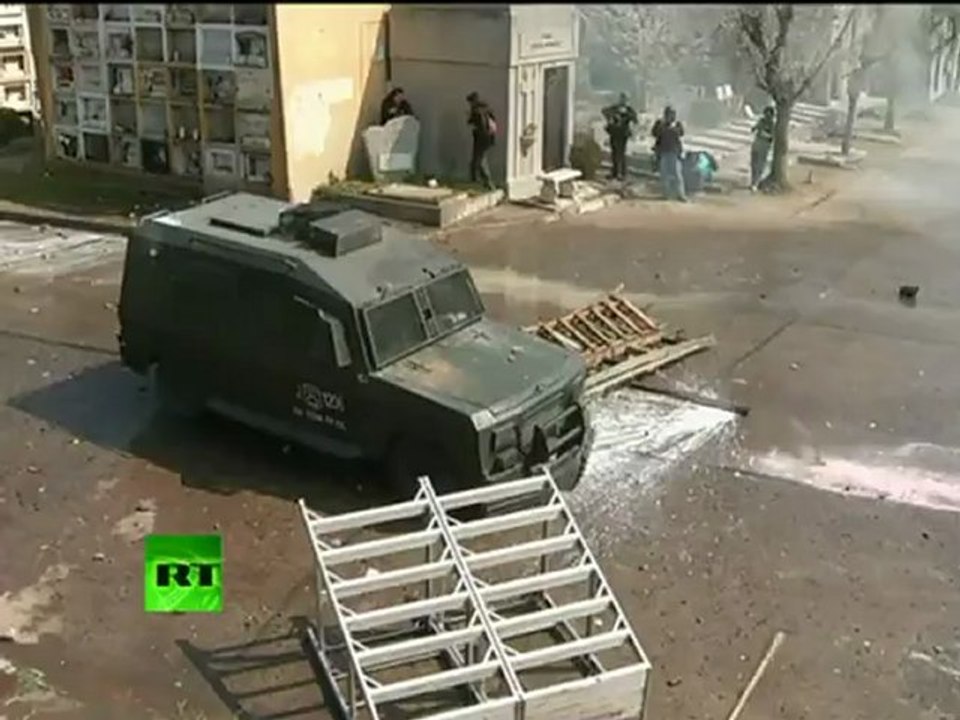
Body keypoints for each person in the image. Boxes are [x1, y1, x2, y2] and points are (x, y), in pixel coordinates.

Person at [651, 105, 687, 202]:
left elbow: (681, 133)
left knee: (677, 175)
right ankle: (666, 194)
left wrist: (672, 127)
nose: (671, 116)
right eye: (669, 114)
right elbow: (654, 133)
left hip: (674, 152)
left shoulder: (677, 124)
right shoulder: (660, 124)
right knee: (664, 174)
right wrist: (662, 126)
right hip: (663, 152)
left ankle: (680, 194)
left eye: (672, 114)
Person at [601, 92, 638, 181]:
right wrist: (612, 117)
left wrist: (626, 116)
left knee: (621, 154)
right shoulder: (615, 108)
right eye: (622, 98)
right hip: (614, 133)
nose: (623, 100)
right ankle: (614, 172)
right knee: (614, 153)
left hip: (623, 134)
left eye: (624, 99)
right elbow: (604, 111)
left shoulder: (629, 110)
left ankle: (622, 173)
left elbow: (635, 119)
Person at [466, 92, 496, 191]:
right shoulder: (486, 108)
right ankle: (477, 180)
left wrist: (469, 117)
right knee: (478, 159)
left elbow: (472, 122)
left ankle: (487, 183)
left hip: (480, 138)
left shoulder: (476, 111)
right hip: (488, 138)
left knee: (480, 160)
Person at [750, 106, 775, 191]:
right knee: (754, 164)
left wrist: (763, 133)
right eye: (765, 114)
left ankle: (756, 183)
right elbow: (753, 129)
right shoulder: (761, 121)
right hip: (756, 145)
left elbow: (772, 137)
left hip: (764, 146)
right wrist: (755, 128)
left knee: (760, 165)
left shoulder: (772, 125)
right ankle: (753, 181)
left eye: (768, 115)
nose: (766, 116)